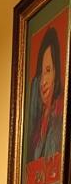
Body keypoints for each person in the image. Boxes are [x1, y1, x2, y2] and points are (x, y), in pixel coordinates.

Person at [28, 26, 64, 163]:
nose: (43, 81)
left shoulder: (60, 119)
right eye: (41, 73)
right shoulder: (38, 124)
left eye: (48, 70)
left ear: (57, 72)